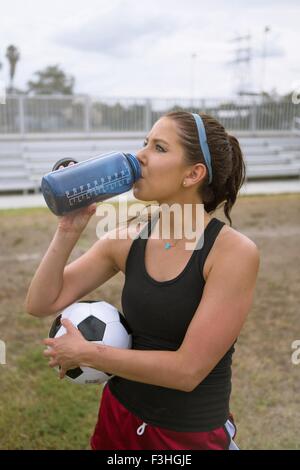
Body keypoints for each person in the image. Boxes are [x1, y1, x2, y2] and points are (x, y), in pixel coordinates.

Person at [25, 111, 260, 450]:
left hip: (186, 436)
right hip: (118, 418)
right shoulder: (126, 239)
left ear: (193, 173)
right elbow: (41, 303)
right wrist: (68, 229)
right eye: (144, 143)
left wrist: (90, 353)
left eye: (159, 148)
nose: (140, 156)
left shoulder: (232, 253)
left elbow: (187, 371)